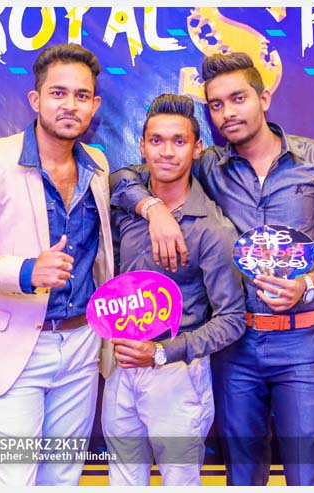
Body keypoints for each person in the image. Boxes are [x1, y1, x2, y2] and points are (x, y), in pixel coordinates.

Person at [110, 52, 314, 486]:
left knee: (306, 475)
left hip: (302, 344)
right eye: (216, 104)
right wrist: (152, 208)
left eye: (238, 98)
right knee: (243, 477)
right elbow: (124, 179)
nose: (227, 112)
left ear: (263, 98)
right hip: (236, 348)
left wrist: (309, 283)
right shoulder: (208, 164)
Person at [0, 43, 114, 486]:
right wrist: (25, 271)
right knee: (15, 479)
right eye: (58, 93)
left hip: (82, 345)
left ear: (94, 105)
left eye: (81, 95)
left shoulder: (97, 164)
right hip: (16, 347)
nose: (70, 104)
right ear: (35, 100)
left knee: (63, 478)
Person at [102, 94, 246, 486]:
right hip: (120, 366)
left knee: (180, 482)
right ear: (142, 146)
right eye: (156, 140)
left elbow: (232, 320)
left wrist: (163, 352)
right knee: (122, 481)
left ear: (197, 148)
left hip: (177, 373)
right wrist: (153, 209)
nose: (166, 152)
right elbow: (116, 180)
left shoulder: (213, 229)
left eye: (179, 141)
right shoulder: (126, 203)